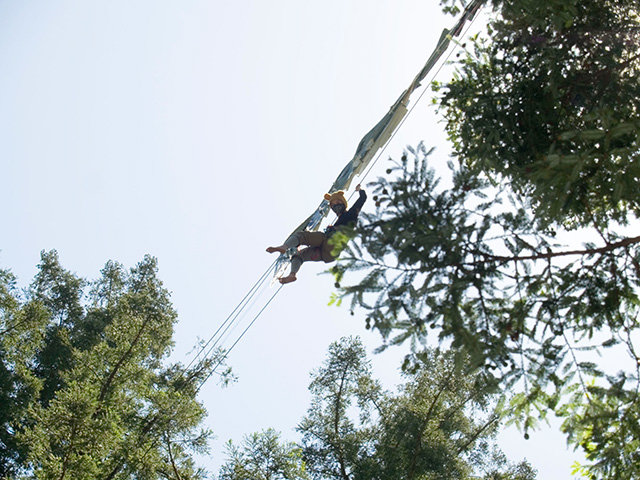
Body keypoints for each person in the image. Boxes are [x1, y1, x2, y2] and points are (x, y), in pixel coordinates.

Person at [267, 184, 367, 284]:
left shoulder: (351, 213)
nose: (335, 205)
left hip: (331, 240)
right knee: (299, 255)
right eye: (333, 205)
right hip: (328, 254)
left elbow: (363, 198)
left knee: (302, 236)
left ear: (344, 203)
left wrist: (359, 190)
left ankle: (284, 247)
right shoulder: (340, 219)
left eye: (338, 202)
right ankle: (292, 275)